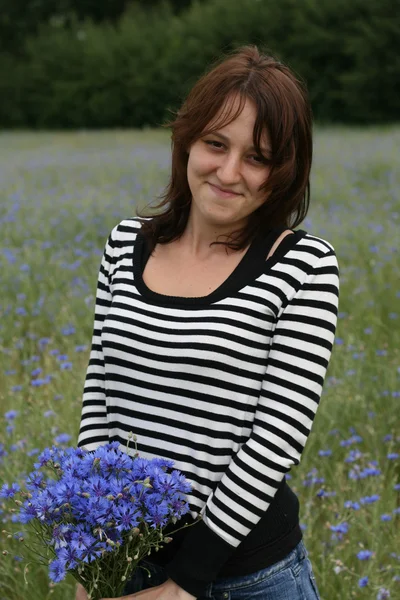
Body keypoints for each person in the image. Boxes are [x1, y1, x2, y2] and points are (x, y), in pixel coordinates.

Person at [76, 44, 339, 600]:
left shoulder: (303, 266)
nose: (228, 172)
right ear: (187, 140)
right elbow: (100, 395)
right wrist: (93, 554)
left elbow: (276, 439)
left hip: (250, 578)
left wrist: (185, 583)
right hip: (128, 564)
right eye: (215, 144)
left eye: (257, 157)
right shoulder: (126, 244)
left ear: (284, 171)